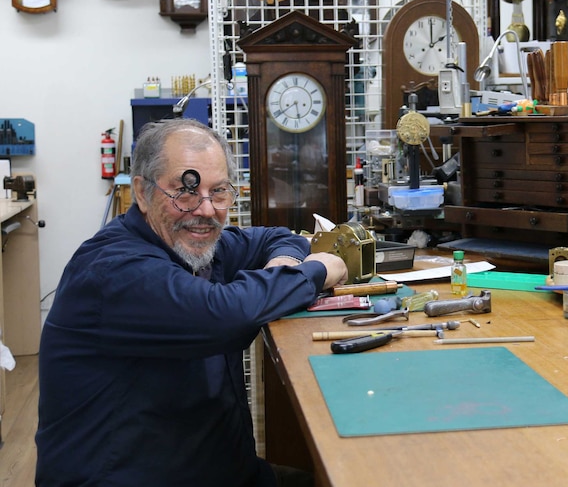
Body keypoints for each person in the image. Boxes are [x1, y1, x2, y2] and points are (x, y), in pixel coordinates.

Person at [35, 119, 347, 486]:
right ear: (142, 192)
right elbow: (222, 316)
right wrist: (313, 273)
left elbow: (277, 238)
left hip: (221, 471)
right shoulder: (115, 269)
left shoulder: (198, 245)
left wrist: (284, 267)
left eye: (219, 192)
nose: (206, 210)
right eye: (185, 192)